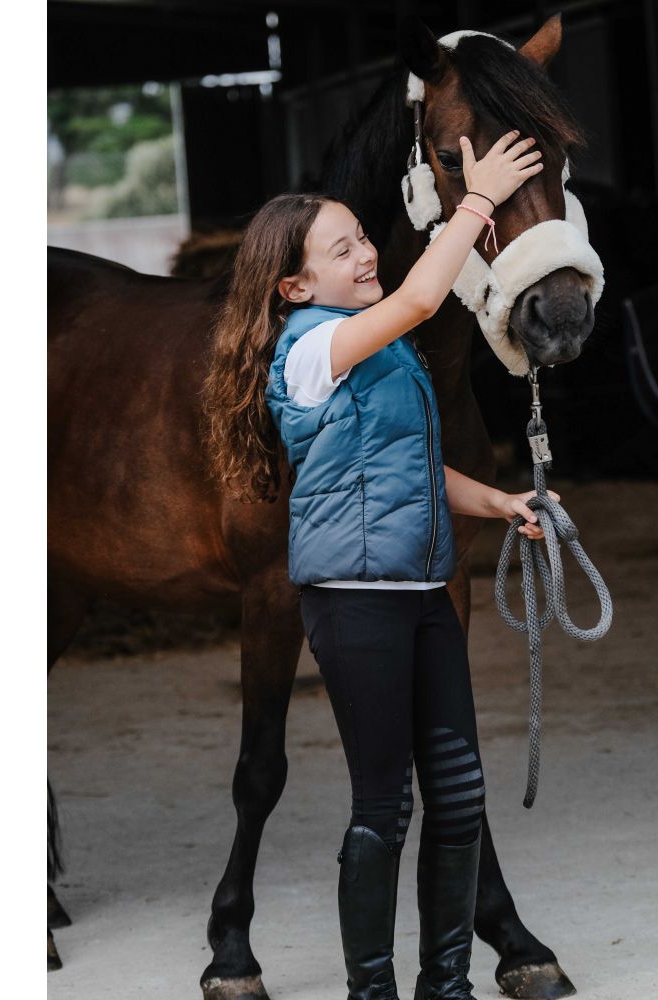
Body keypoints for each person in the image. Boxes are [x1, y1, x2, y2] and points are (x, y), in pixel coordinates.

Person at [208, 130, 556, 1000]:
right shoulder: (309, 352)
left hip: (423, 590)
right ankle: (373, 993)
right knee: (385, 805)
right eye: (342, 249)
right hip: (356, 601)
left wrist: (500, 502)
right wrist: (477, 200)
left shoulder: (384, 349)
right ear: (294, 287)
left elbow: (415, 466)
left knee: (459, 793)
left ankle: (448, 986)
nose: (365, 252)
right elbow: (421, 296)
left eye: (363, 236)